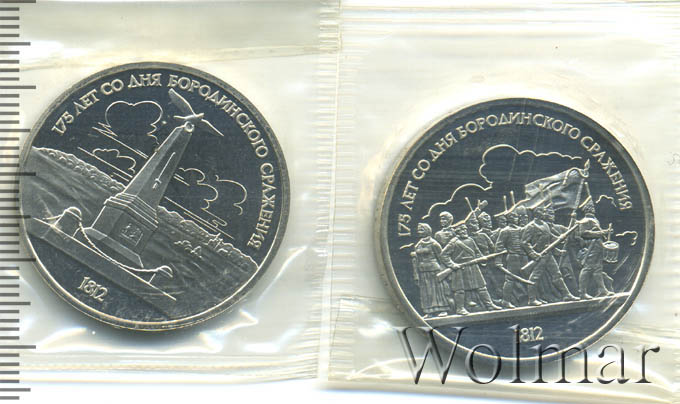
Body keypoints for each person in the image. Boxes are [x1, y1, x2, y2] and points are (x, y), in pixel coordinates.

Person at [521, 206, 579, 306]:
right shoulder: (531, 226)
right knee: (535, 277)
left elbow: (549, 239)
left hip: (548, 254)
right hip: (540, 256)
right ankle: (532, 299)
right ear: (537, 213)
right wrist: (533, 254)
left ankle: (566, 295)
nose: (545, 213)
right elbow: (524, 242)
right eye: (543, 211)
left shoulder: (545, 225)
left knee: (557, 275)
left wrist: (560, 240)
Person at [440, 224, 501, 315]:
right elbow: (443, 255)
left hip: (473, 266)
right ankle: (460, 308)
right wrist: (452, 265)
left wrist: (482, 259)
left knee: (482, 287)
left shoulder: (470, 240)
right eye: (462, 230)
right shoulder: (453, 242)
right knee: (459, 290)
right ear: (457, 232)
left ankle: (489, 305)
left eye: (465, 229)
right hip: (460, 268)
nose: (464, 231)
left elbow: (476, 252)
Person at [411, 223, 449, 317]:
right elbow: (416, 260)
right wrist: (416, 273)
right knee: (426, 291)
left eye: (421, 229)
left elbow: (441, 258)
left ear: (427, 230)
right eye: (418, 230)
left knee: (438, 290)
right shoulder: (418, 245)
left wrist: (444, 271)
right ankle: (429, 311)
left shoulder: (434, 243)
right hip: (423, 271)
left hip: (434, 270)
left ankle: (443, 309)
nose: (419, 232)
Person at [577, 202, 614, 299]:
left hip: (598, 246)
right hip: (591, 247)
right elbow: (584, 233)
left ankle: (602, 290)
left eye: (592, 207)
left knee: (598, 269)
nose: (593, 209)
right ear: (586, 209)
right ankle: (582, 292)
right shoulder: (585, 221)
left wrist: (605, 232)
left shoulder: (594, 220)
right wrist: (603, 232)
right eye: (590, 207)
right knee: (587, 268)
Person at [494, 208, 525, 308]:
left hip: (524, 256)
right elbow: (499, 246)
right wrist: (498, 261)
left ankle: (532, 298)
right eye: (514, 217)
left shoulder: (522, 229)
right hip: (513, 257)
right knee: (510, 279)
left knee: (529, 276)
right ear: (510, 218)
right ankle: (506, 301)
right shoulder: (505, 231)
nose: (517, 218)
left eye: (517, 216)